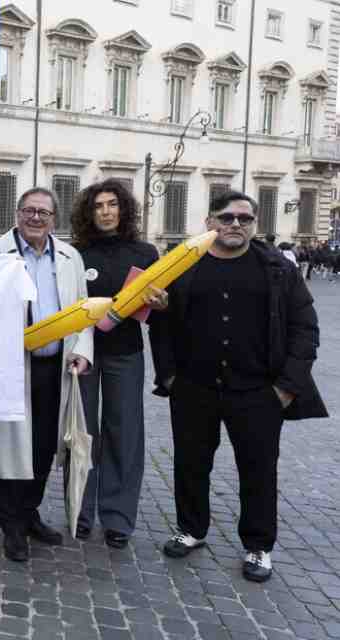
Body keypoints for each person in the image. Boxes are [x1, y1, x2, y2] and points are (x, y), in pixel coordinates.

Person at [150, 190, 327, 583]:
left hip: (258, 392)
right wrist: (169, 377)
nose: (235, 224)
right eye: (226, 217)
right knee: (191, 465)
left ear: (254, 225)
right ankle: (192, 529)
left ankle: (259, 545)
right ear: (209, 221)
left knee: (259, 470)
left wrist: (286, 388)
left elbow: (305, 329)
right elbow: (161, 325)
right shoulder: (182, 267)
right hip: (194, 387)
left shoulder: (278, 268)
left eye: (244, 219)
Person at [0, 187, 92, 561]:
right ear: (17, 213)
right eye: (28, 210)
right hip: (11, 367)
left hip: (55, 368)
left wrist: (82, 353)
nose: (35, 217)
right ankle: (12, 526)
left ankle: (31, 514)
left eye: (43, 212)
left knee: (44, 448)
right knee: (9, 448)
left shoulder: (70, 257)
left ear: (54, 218)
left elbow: (84, 311)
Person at [67, 179, 167, 549]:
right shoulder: (75, 254)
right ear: (89, 213)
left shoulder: (145, 252)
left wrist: (162, 305)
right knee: (82, 434)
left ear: (123, 209)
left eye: (112, 205)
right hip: (84, 354)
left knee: (125, 433)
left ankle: (118, 517)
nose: (106, 212)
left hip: (126, 354)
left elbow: (158, 315)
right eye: (98, 206)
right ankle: (80, 510)